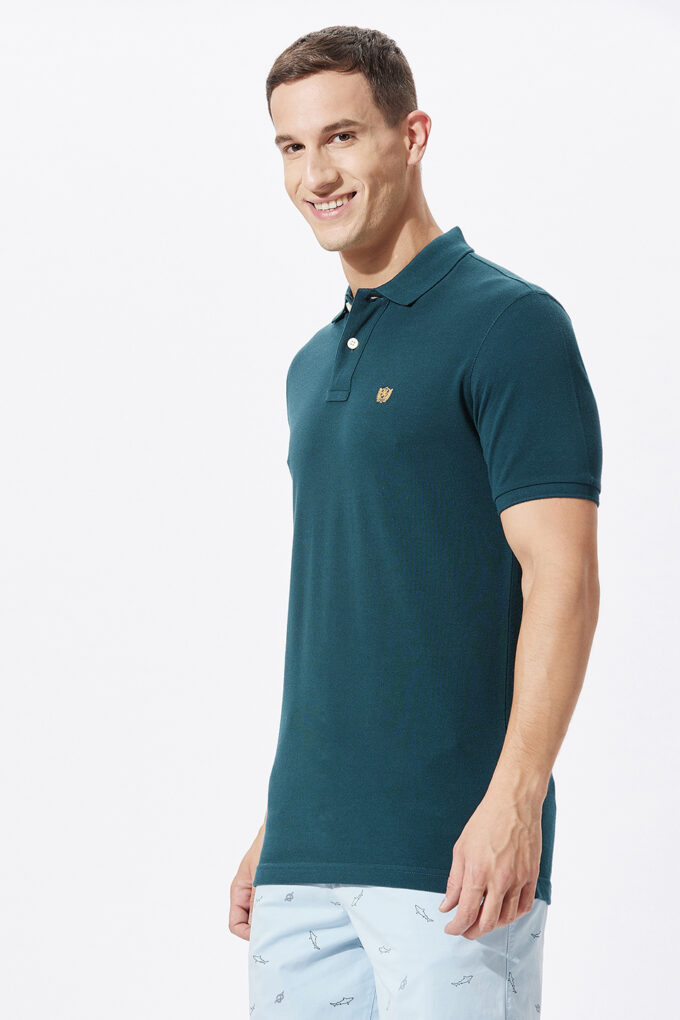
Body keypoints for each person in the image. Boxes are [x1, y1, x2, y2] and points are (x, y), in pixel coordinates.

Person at [229, 25, 602, 1019]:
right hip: (303, 860)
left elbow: (562, 576)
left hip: (452, 856)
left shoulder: (510, 324)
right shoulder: (310, 366)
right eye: (291, 146)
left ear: (412, 134)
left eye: (341, 137)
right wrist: (280, 825)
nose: (315, 174)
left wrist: (516, 797)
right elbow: (350, 607)